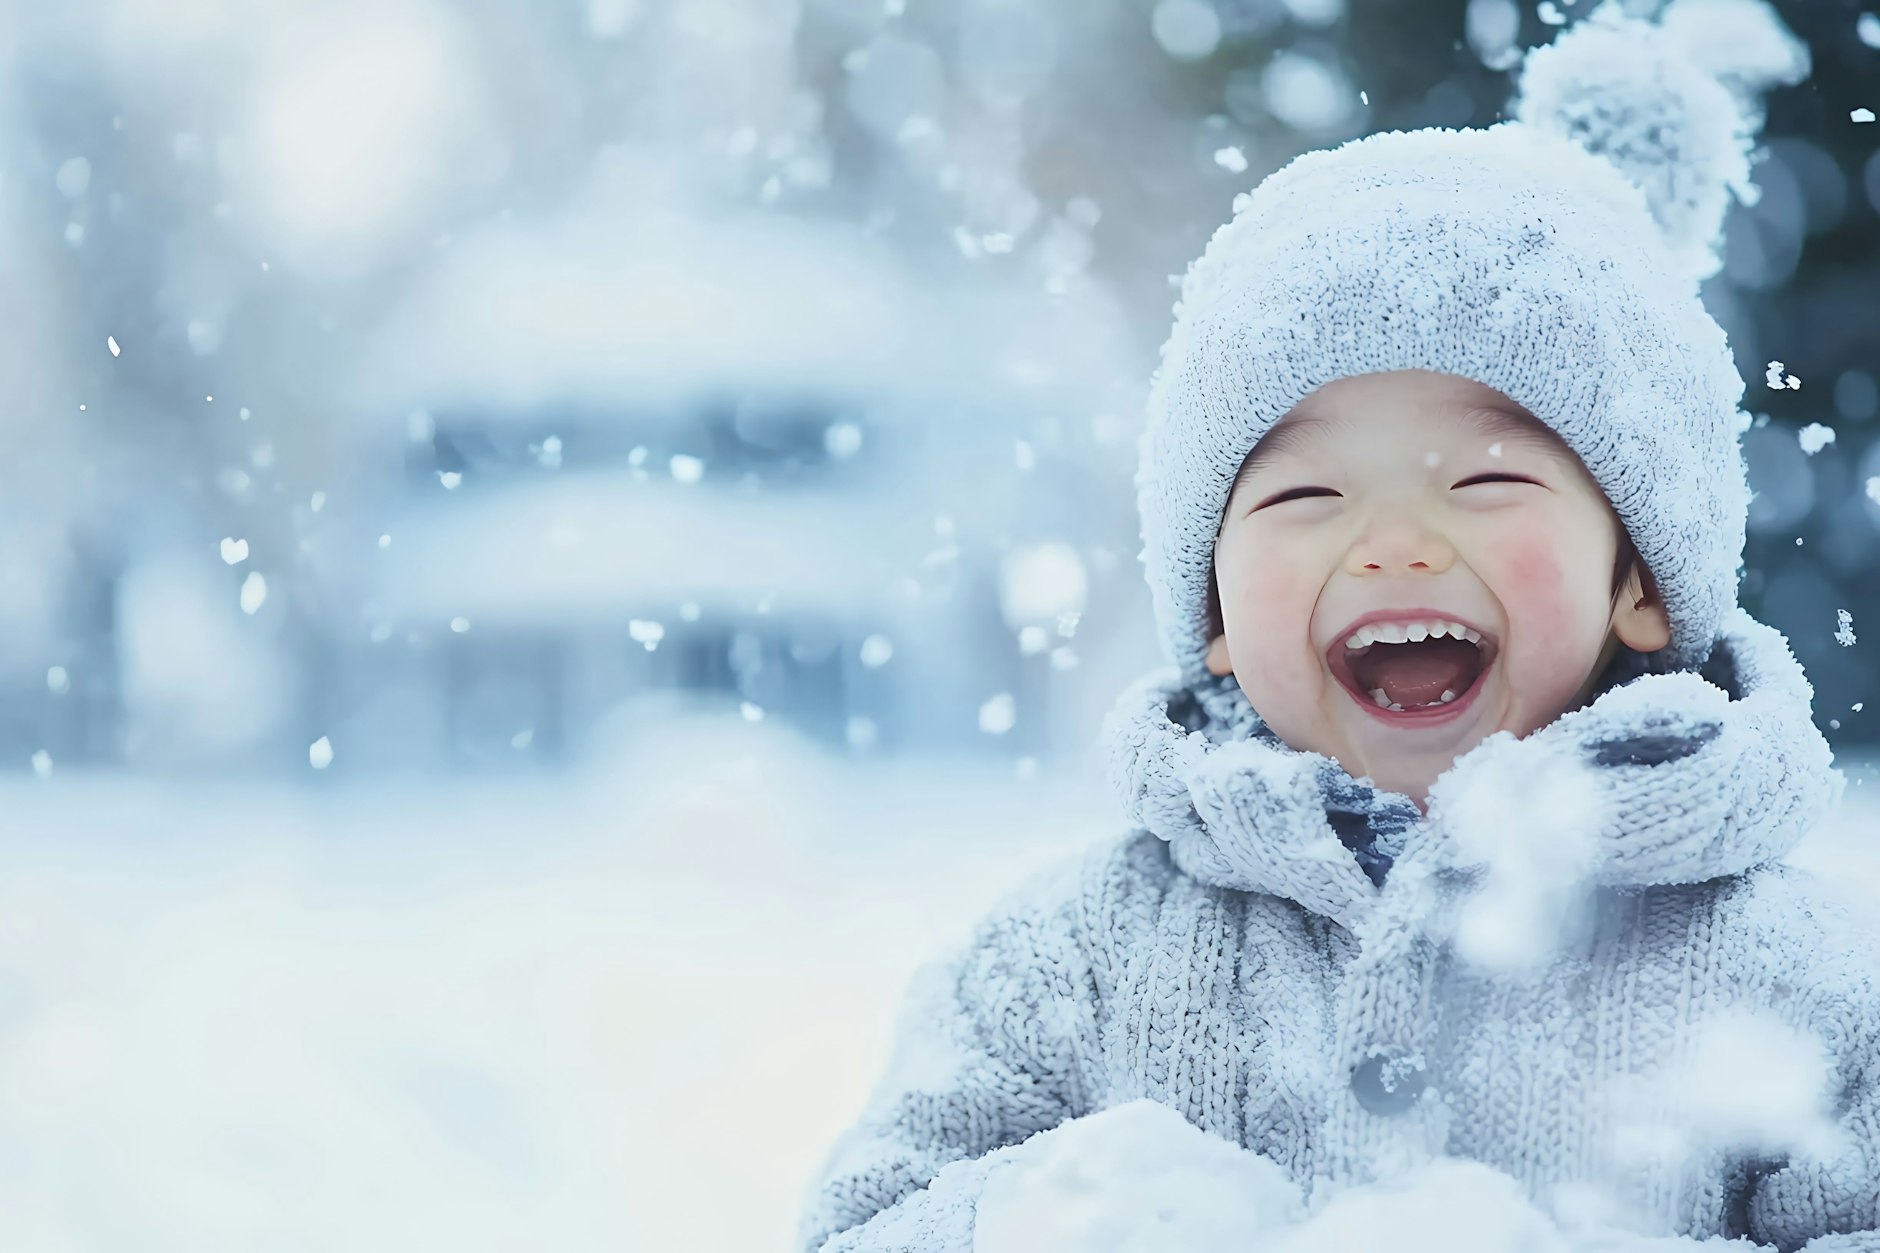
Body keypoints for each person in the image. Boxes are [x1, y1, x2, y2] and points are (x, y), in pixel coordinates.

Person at [794, 2, 1877, 1250]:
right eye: (1306, 495)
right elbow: (859, 1224)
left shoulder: (1800, 973)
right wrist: (1027, 1222)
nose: (1393, 543)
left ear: (1638, 580)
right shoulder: (1072, 958)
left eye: (1482, 481)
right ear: (1206, 606)